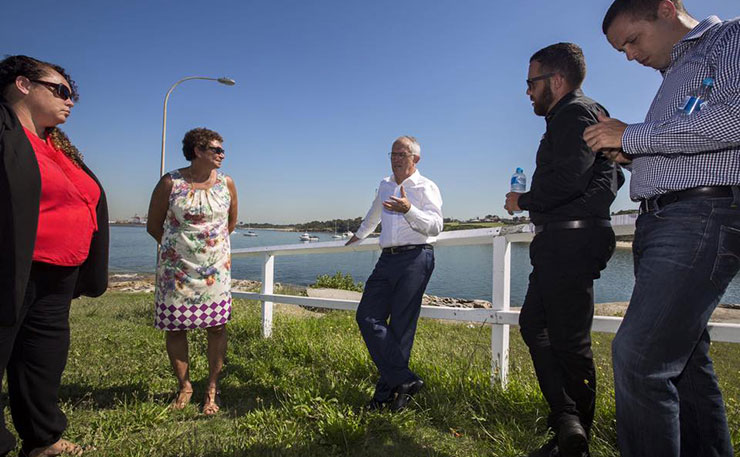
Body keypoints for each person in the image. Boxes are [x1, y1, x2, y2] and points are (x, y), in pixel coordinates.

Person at [583, 1, 740, 455]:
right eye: (621, 51)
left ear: (667, 9)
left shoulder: (727, 38)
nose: (630, 55)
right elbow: (690, 142)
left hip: (701, 214)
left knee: (638, 358)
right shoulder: (674, 74)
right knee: (687, 365)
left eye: (632, 40)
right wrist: (634, 158)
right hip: (664, 218)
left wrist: (631, 136)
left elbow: (734, 118)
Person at [504, 43, 623, 457]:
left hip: (570, 241)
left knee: (568, 341)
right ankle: (568, 421)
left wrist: (524, 201)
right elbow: (610, 178)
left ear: (556, 80)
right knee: (535, 323)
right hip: (567, 239)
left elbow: (571, 179)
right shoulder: (583, 115)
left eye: (531, 82)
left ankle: (574, 437)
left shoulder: (574, 113)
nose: (528, 92)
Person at [0, 55, 109, 457]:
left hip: (57, 274)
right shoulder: (5, 132)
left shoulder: (57, 146)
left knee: (41, 362)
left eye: (72, 95)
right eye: (61, 91)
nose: (70, 101)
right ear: (24, 85)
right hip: (13, 268)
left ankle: (42, 439)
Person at [346, 135, 442, 412]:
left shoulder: (426, 187)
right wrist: (359, 235)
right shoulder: (385, 184)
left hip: (416, 257)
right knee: (366, 316)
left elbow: (436, 226)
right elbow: (374, 214)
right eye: (393, 154)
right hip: (387, 259)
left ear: (416, 159)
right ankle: (405, 381)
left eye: (402, 154)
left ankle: (385, 398)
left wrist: (409, 210)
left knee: (401, 328)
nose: (396, 159)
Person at [146, 128, 238, 416]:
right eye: (216, 149)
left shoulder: (227, 183)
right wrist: (179, 250)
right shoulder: (170, 183)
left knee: (217, 326)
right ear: (197, 151)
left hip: (215, 271)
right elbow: (153, 225)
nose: (222, 154)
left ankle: (212, 387)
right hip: (177, 269)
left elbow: (230, 224)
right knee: (176, 327)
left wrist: (211, 251)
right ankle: (185, 386)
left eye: (223, 150)